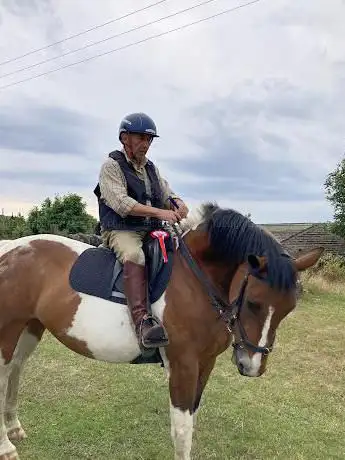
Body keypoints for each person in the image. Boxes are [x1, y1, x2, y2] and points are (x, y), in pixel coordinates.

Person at [94, 112, 189, 350]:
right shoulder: (111, 166)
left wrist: (178, 203)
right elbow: (121, 204)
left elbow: (166, 193)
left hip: (149, 228)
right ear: (125, 138)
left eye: (149, 139)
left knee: (178, 247)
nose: (145, 144)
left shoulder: (151, 169)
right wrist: (160, 213)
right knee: (135, 255)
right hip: (121, 229)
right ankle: (142, 321)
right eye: (140, 138)